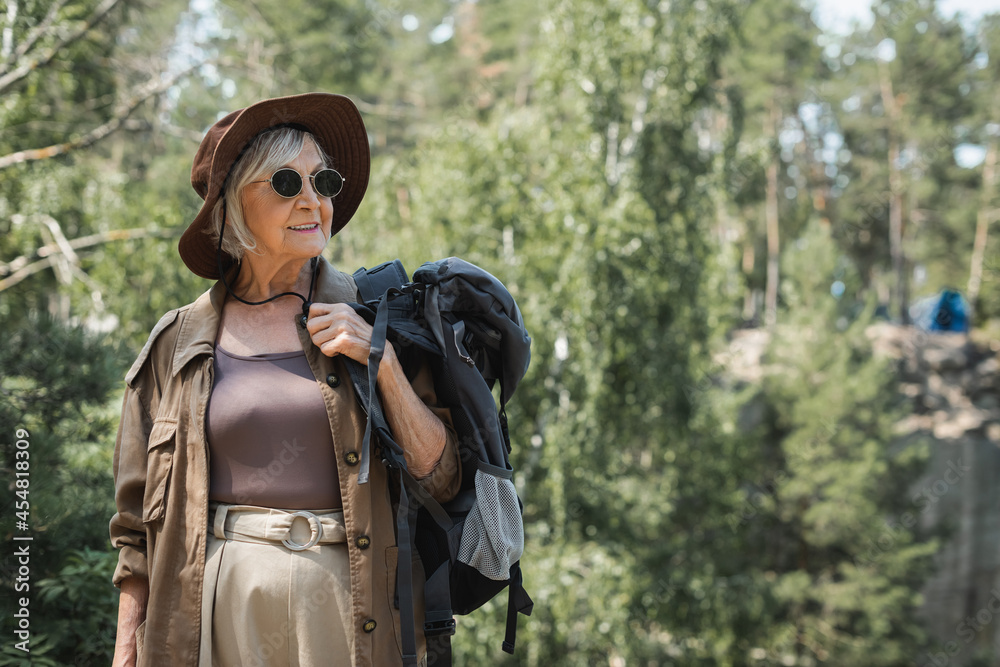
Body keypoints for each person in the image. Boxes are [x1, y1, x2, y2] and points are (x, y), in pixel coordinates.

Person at [109, 92, 461, 667]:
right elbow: (134, 532)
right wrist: (126, 650)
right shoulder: (176, 345)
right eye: (285, 183)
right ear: (232, 207)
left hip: (348, 608)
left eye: (322, 182)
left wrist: (383, 363)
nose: (312, 201)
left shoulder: (384, 319)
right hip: (215, 609)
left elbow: (442, 479)